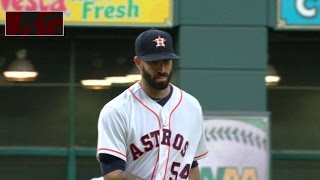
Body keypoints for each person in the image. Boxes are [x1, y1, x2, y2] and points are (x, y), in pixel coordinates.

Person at [96, 28, 208, 180]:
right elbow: (112, 174)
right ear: (138, 63)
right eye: (154, 62)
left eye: (166, 61)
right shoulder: (117, 110)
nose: (162, 69)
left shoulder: (191, 106)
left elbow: (191, 164)